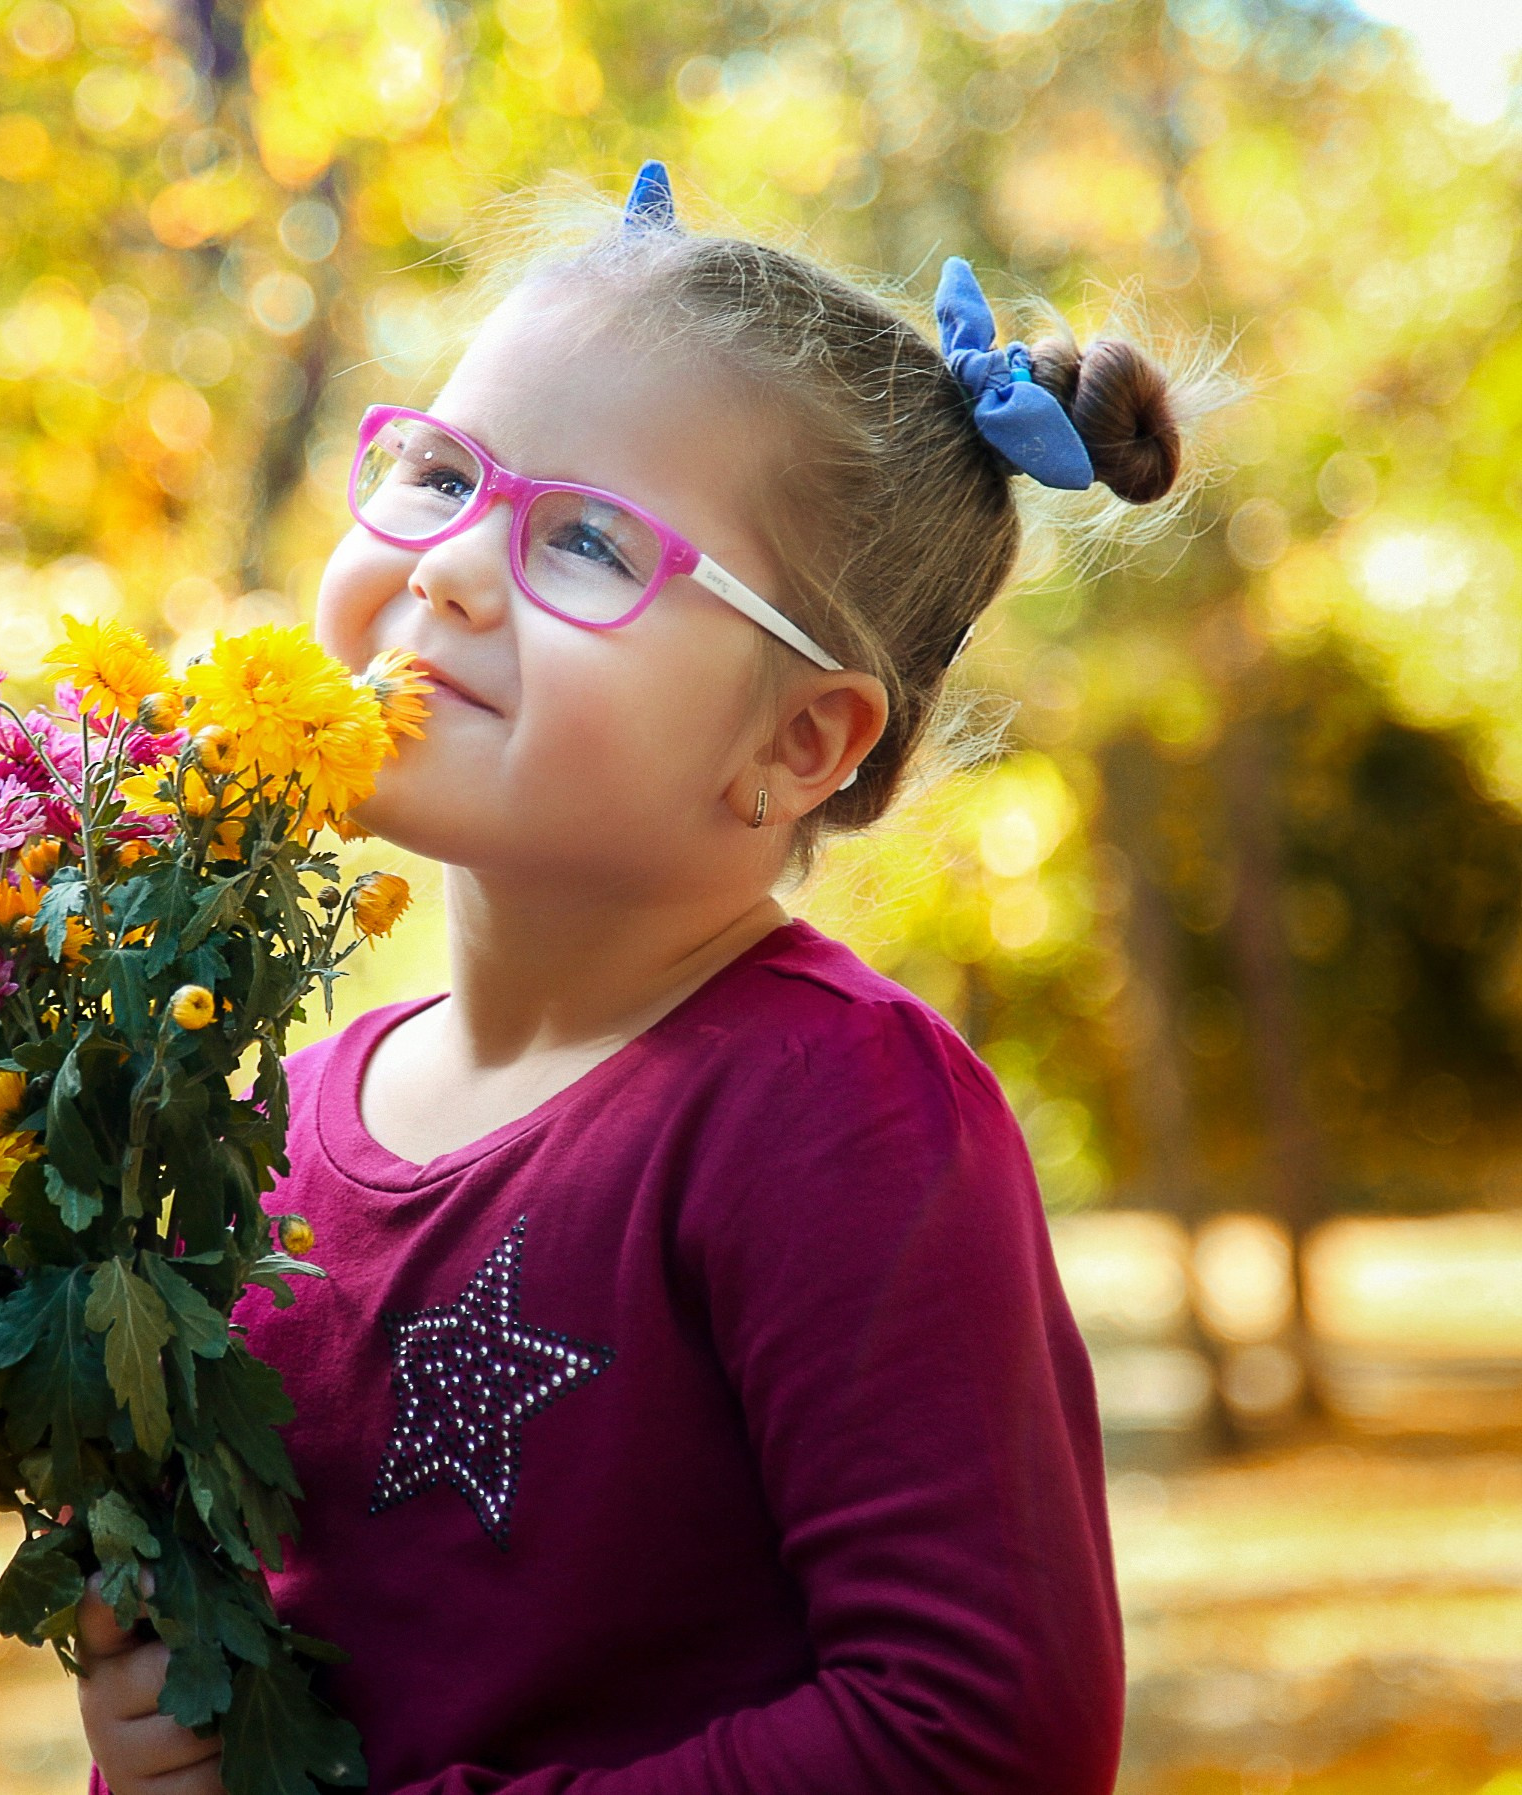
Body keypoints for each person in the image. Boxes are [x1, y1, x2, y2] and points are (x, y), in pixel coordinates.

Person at [76, 160, 1212, 1795]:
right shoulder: (277, 1113)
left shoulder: (834, 1114)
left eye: (592, 545)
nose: (452, 565)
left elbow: (980, 1735)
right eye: (436, 469)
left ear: (797, 741)